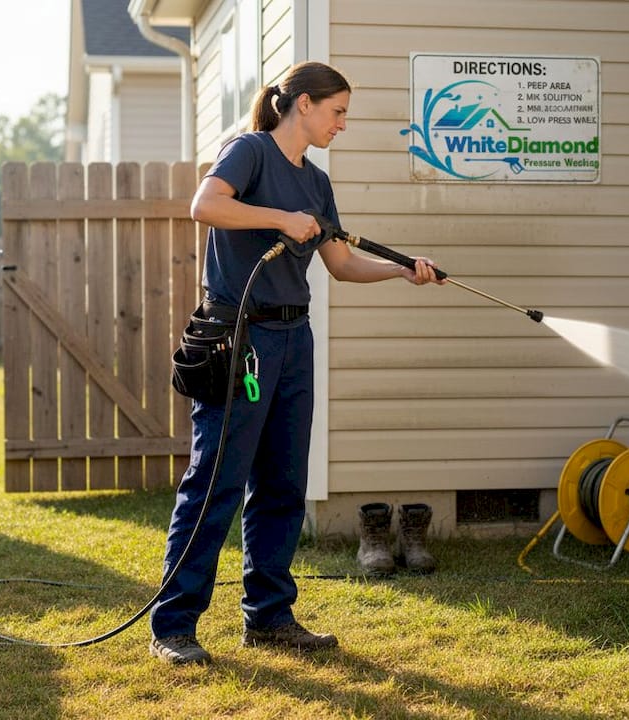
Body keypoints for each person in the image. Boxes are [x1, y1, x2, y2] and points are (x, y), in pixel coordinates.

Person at [149, 61, 444, 666]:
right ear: (303, 104)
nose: (342, 123)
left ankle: (269, 617)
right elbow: (205, 205)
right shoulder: (250, 152)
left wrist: (401, 269)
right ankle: (174, 626)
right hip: (242, 338)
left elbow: (339, 263)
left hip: (293, 341)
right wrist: (279, 218)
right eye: (337, 111)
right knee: (216, 484)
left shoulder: (317, 181)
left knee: (283, 484)